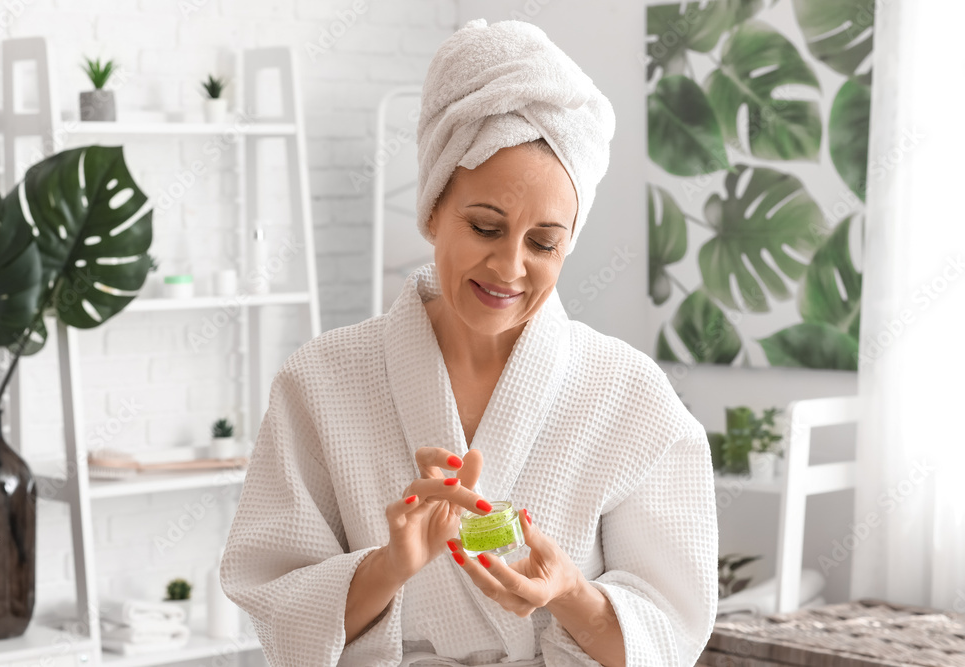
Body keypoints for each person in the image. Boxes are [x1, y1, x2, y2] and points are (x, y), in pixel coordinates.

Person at [220, 18, 718, 667]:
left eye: (543, 242)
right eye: (486, 226)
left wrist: (569, 593)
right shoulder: (321, 379)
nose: (510, 267)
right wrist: (388, 565)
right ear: (432, 209)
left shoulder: (628, 393)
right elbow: (276, 600)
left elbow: (671, 631)